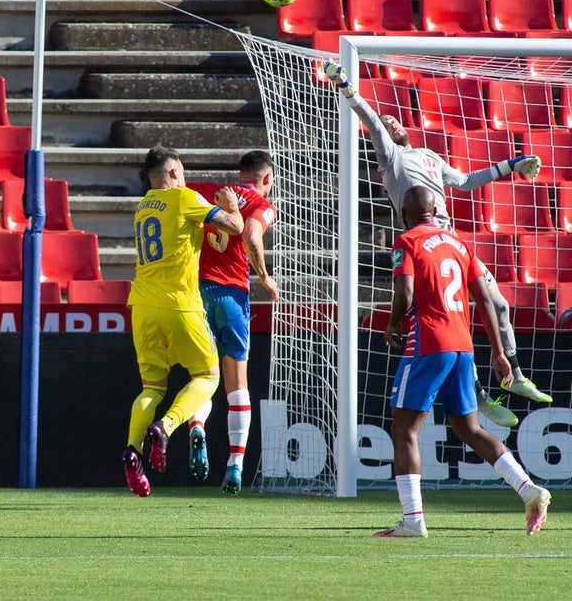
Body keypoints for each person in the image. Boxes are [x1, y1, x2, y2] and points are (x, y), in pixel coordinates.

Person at [323, 61, 553, 429]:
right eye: (385, 123)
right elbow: (368, 117)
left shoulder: (429, 156)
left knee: (498, 304)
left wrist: (513, 164)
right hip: (426, 246)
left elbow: (464, 180)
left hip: (454, 242)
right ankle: (479, 397)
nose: (391, 123)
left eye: (394, 120)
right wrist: (347, 86)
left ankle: (516, 373)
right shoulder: (391, 159)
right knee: (455, 320)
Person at [376, 186, 551, 538]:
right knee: (470, 429)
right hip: (463, 345)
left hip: (427, 342)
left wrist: (393, 322)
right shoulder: (458, 243)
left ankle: (413, 520)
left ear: (406, 214)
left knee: (404, 428)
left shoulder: (407, 241)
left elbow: (405, 292)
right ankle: (528, 490)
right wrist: (500, 352)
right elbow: (485, 299)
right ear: (436, 209)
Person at [122, 145, 245, 497]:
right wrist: (232, 207)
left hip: (142, 306)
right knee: (207, 376)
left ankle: (133, 449)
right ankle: (166, 426)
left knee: (152, 388)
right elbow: (235, 226)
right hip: (179, 304)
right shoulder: (183, 198)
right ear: (174, 173)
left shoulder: (143, 208)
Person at [185, 150, 279, 495]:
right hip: (232, 296)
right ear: (266, 179)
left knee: (202, 376)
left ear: (239, 173)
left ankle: (197, 425)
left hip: (198, 293)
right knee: (236, 384)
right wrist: (265, 278)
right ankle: (235, 464)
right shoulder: (261, 204)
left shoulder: (210, 191)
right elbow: (252, 238)